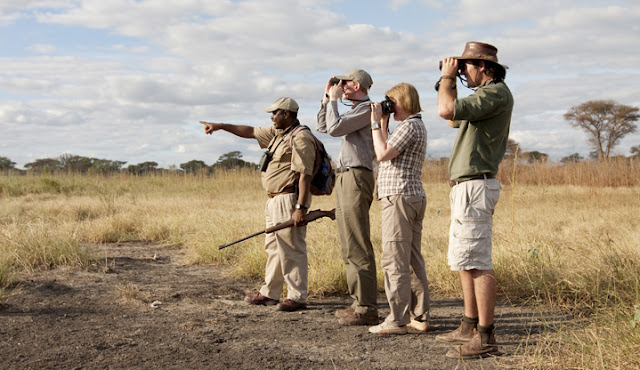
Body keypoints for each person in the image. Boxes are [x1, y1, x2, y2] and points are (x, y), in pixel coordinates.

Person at [200, 97, 316, 312]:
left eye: (275, 113)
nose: (272, 117)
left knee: (291, 249)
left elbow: (305, 175)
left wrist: (300, 208)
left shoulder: (301, 138)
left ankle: (297, 296)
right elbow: (250, 131)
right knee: (273, 248)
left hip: (288, 199)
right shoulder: (277, 135)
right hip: (273, 199)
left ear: (287, 114)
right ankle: (270, 292)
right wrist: (221, 126)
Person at [436, 41, 514, 358]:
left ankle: (486, 336)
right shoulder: (483, 97)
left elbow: (445, 109)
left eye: (466, 66)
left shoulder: (495, 92)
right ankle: (469, 325)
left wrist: (447, 79)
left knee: (478, 262)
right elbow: (453, 118)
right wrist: (449, 81)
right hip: (467, 186)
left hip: (476, 186)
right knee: (464, 260)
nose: (463, 72)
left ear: (483, 66)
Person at [367, 83, 431, 335]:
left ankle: (396, 319)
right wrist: (382, 123)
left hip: (399, 198)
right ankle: (419, 316)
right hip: (411, 196)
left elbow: (381, 154)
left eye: (390, 101)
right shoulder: (414, 125)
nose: (387, 105)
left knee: (394, 259)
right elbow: (386, 148)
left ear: (402, 101)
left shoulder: (410, 125)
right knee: (413, 259)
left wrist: (373, 122)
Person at [316, 69, 378, 325]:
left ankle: (367, 308)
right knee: (347, 241)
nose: (341, 86)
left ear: (359, 85)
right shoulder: (354, 110)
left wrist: (333, 101)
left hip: (357, 176)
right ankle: (358, 303)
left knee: (357, 241)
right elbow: (323, 126)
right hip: (345, 176)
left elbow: (334, 129)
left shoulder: (367, 109)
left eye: (345, 82)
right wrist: (325, 100)